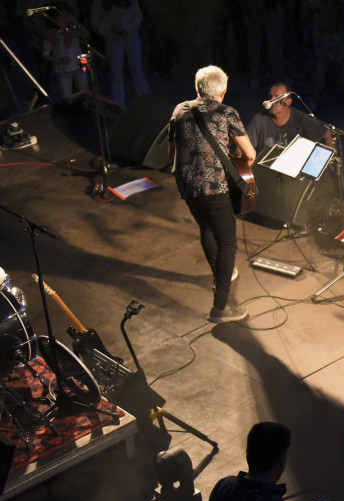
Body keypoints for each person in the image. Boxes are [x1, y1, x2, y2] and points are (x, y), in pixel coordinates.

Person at [169, 65, 256, 323]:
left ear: (197, 89)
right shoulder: (227, 112)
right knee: (228, 241)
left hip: (186, 185)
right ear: (223, 92)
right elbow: (250, 154)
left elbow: (172, 151)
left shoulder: (179, 110)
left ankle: (222, 275)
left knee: (207, 228)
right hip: (214, 186)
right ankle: (220, 307)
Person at [89, 0, 150, 106]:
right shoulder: (99, 3)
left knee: (137, 71)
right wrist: (109, 28)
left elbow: (138, 16)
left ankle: (146, 102)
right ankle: (118, 105)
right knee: (116, 74)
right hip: (112, 38)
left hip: (130, 36)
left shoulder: (131, 2)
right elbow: (94, 20)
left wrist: (127, 28)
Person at [245, 82, 331, 153]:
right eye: (270, 97)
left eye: (277, 97)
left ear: (288, 102)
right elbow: (244, 148)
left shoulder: (300, 118)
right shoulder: (259, 120)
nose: (271, 101)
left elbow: (326, 132)